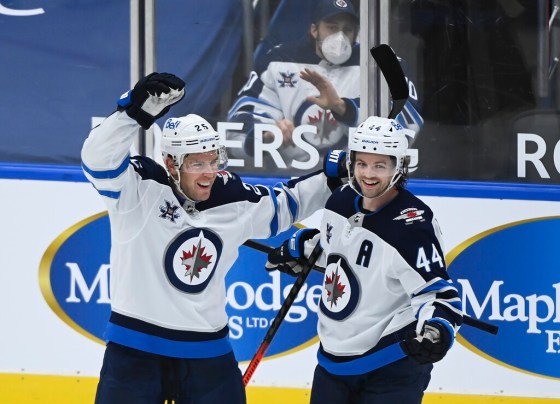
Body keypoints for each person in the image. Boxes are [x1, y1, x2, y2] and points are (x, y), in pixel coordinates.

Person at [81, 72, 346, 403]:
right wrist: (131, 113)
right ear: (170, 163)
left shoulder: (230, 196)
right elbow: (97, 159)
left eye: (213, 160)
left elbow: (286, 204)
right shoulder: (136, 189)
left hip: (206, 350)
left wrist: (337, 177)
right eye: (196, 163)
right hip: (135, 349)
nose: (209, 171)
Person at [265, 116, 463, 403]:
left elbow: (438, 294)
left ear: (399, 166)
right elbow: (342, 252)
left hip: (391, 361)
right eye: (362, 163)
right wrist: (302, 248)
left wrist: (437, 329)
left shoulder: (411, 226)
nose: (368, 174)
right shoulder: (340, 200)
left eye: (380, 165)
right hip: (334, 359)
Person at [226, 0, 422, 172]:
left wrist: (343, 108)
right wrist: (267, 137)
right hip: (288, 181)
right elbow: (237, 129)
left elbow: (405, 129)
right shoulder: (278, 61)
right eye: (331, 27)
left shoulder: (385, 65)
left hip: (358, 182)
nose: (340, 36)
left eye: (347, 29)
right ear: (314, 29)